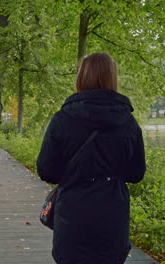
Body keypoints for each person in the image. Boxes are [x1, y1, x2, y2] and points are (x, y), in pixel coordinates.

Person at [37, 52, 146, 264]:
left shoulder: (62, 119)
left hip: (72, 213)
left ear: (81, 78)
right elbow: (136, 173)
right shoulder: (128, 123)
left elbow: (46, 170)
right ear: (112, 78)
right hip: (111, 214)